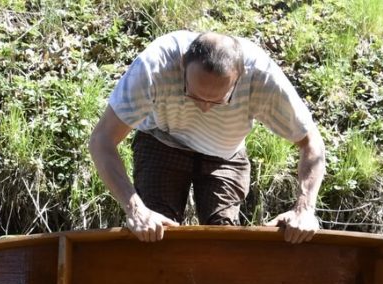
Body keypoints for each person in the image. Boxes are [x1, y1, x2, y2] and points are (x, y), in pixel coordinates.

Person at [88, 30, 325, 244]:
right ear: (182, 65)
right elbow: (102, 140)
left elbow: (311, 142)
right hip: (162, 140)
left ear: (239, 78)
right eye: (194, 96)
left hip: (225, 152)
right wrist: (136, 210)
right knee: (157, 232)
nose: (204, 108)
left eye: (218, 101)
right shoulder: (155, 65)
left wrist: (304, 209)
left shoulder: (262, 77)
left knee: (222, 238)